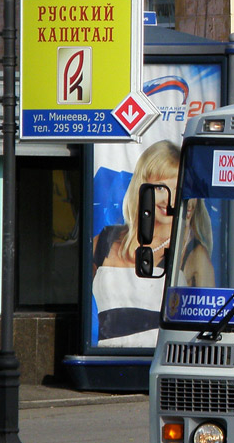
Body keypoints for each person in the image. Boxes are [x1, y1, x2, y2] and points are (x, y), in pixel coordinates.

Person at [92, 140, 179, 347]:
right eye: (160, 188)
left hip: (159, 360)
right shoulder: (105, 239)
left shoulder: (190, 252)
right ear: (141, 187)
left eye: (177, 188)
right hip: (106, 361)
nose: (169, 199)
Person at [180, 198, 215, 287]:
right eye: (184, 196)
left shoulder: (199, 255)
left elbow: (206, 298)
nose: (189, 204)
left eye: (193, 196)